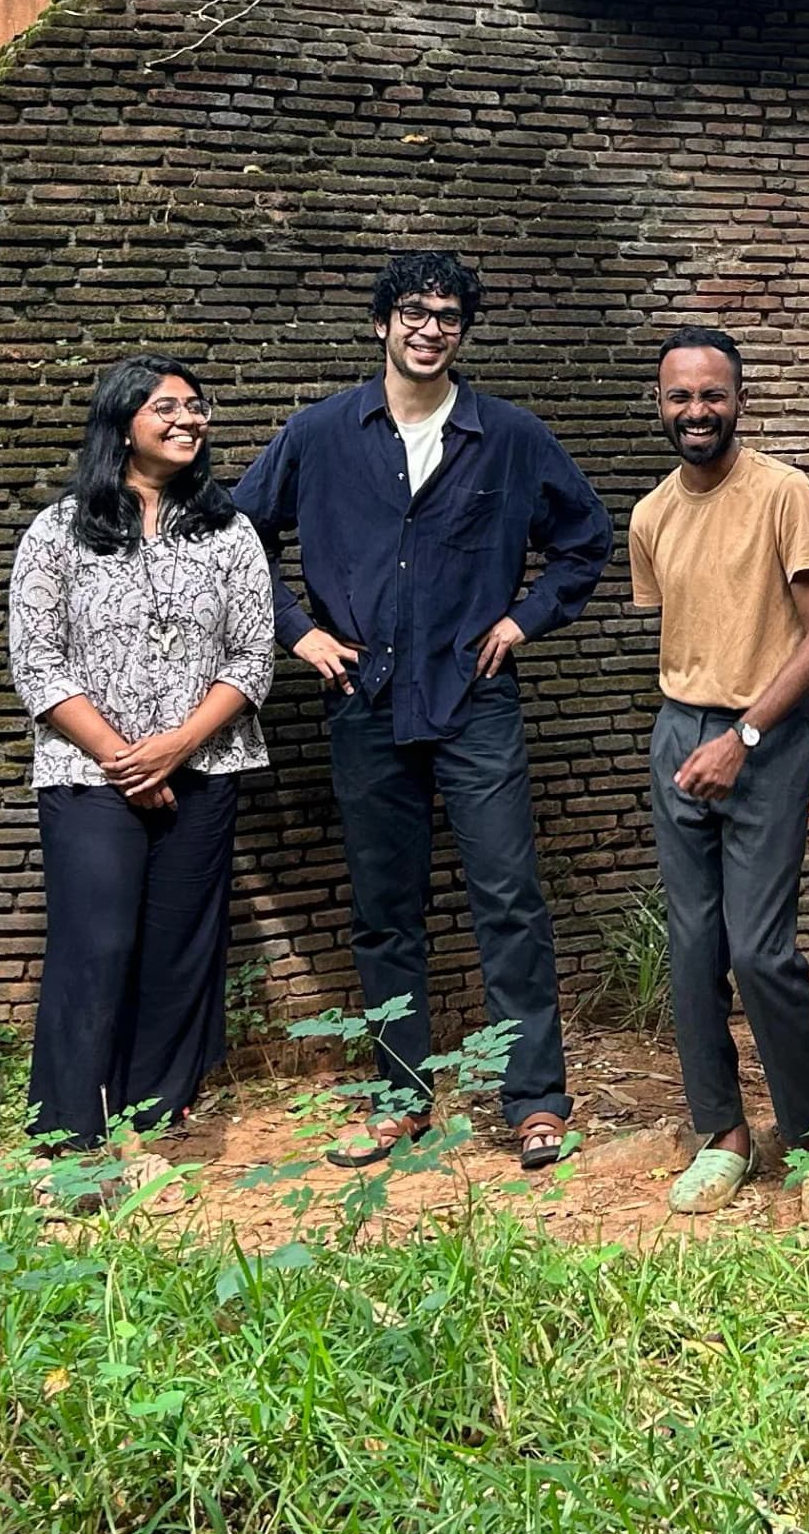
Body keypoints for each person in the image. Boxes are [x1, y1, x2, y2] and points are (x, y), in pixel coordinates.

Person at [232, 250, 610, 1170]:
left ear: (464, 331)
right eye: (414, 311)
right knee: (383, 907)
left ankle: (534, 1101)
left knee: (509, 898)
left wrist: (524, 619)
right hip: (362, 698)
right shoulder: (320, 434)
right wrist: (297, 632)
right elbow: (238, 533)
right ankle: (401, 1097)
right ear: (381, 324)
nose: (430, 328)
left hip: (474, 698)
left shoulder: (510, 437)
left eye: (448, 315)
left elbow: (586, 539)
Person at [8, 356, 276, 1153]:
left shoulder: (230, 533)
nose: (189, 420)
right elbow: (36, 660)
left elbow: (252, 655)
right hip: (87, 775)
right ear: (123, 423)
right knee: (96, 944)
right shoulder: (58, 531)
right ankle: (69, 1133)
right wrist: (125, 758)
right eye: (167, 407)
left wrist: (179, 747)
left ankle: (156, 1113)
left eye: (198, 406)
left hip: (204, 769)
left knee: (179, 945)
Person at [627, 326, 809, 1219]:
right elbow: (684, 635)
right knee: (693, 948)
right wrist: (693, 736)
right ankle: (721, 1132)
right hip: (680, 734)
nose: (696, 412)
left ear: (740, 400)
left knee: (761, 951)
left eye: (712, 394)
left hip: (765, 740)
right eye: (680, 397)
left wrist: (743, 737)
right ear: (660, 406)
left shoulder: (783, 493)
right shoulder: (650, 514)